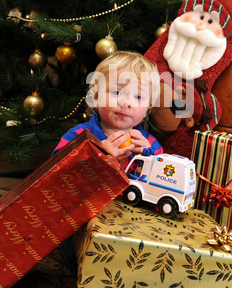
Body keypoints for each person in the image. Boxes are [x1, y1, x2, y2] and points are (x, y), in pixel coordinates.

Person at [55, 51, 163, 274]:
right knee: (98, 265)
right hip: (83, 228)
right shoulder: (77, 137)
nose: (126, 103)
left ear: (148, 108)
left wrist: (149, 158)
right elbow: (55, 179)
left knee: (150, 259)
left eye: (138, 98)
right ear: (95, 96)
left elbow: (161, 187)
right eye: (116, 92)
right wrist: (99, 157)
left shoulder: (150, 144)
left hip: (132, 229)